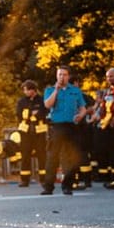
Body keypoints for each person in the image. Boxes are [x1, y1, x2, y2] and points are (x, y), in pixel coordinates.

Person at [42, 66, 88, 195]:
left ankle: (67, 186)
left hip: (72, 126)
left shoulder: (75, 91)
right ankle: (48, 186)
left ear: (68, 76)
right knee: (52, 156)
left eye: (64, 74)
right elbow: (47, 105)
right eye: (60, 74)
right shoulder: (50, 90)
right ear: (57, 76)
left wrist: (81, 115)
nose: (62, 77)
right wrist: (56, 91)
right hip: (56, 126)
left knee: (70, 157)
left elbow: (83, 107)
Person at [10, 79, 48, 188]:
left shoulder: (41, 100)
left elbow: (44, 113)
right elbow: (19, 114)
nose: (25, 92)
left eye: (26, 90)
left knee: (42, 155)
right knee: (25, 155)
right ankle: (24, 180)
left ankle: (43, 179)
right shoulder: (22, 101)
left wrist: (33, 114)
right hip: (25, 132)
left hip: (39, 132)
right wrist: (32, 114)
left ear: (33, 90)